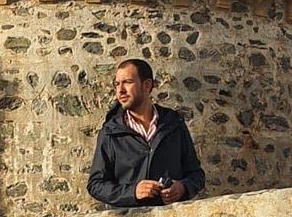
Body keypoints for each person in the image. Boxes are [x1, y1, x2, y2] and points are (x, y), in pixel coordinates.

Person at [87, 58, 204, 207]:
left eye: (127, 82)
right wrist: (133, 192)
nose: (120, 90)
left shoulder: (174, 124)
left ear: (147, 85)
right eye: (117, 84)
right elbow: (96, 185)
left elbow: (196, 174)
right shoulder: (110, 132)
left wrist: (183, 188)